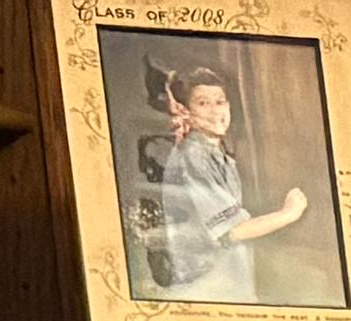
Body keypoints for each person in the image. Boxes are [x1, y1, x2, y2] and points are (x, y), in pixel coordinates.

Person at [132, 60, 318, 306]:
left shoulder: (218, 156)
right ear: (186, 111)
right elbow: (231, 233)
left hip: (227, 288)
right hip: (204, 293)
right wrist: (289, 214)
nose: (215, 111)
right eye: (203, 103)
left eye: (220, 102)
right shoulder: (192, 156)